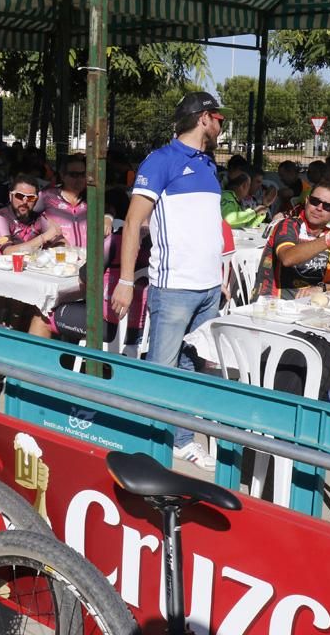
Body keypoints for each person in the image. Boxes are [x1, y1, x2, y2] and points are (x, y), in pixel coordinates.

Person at [111, 91, 227, 469]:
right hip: (175, 285)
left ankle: (180, 438)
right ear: (203, 118)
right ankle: (150, 446)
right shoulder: (161, 160)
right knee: (163, 366)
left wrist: (219, 276)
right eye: (219, 117)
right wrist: (127, 280)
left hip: (209, 286)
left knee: (193, 364)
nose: (222, 123)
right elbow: (132, 223)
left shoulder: (208, 164)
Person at [256, 181, 330, 299]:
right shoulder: (288, 225)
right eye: (315, 201)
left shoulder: (328, 235)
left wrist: (321, 288)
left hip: (304, 306)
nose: (319, 208)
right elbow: (287, 258)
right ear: (307, 201)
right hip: (271, 304)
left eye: (327, 207)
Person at [37, 153, 110, 247]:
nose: (80, 179)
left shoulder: (90, 197)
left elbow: (108, 207)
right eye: (74, 175)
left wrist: (108, 218)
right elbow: (30, 217)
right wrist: (45, 223)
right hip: (59, 257)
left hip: (87, 257)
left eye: (83, 174)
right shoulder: (47, 196)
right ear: (62, 175)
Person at [0, 175, 61, 258]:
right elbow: (8, 251)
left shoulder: (38, 218)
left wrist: (61, 244)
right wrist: (44, 237)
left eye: (31, 197)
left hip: (25, 267)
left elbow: (59, 240)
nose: (24, 201)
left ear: (36, 200)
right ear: (10, 196)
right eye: (19, 196)